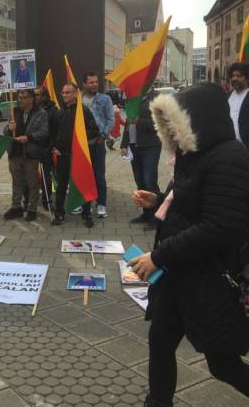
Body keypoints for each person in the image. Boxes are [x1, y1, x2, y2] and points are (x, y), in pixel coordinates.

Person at [128, 83, 249, 406]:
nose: (170, 131)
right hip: (179, 274)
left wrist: (158, 256)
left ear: (196, 119)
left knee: (222, 364)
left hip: (211, 280)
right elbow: (184, 205)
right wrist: (157, 202)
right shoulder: (191, 153)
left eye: (174, 121)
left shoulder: (231, 158)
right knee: (160, 340)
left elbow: (217, 228)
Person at [50, 83, 98, 228]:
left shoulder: (83, 111)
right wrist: (55, 147)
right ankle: (59, 214)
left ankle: (86, 213)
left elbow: (94, 130)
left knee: (83, 185)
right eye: (63, 92)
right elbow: (53, 133)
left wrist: (80, 136)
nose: (64, 95)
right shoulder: (59, 113)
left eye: (68, 92)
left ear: (76, 93)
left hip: (79, 156)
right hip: (63, 155)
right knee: (61, 186)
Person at [3, 88, 48, 222]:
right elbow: (5, 131)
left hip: (30, 153)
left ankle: (32, 209)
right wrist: (9, 129)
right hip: (15, 152)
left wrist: (29, 137)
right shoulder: (14, 112)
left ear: (31, 99)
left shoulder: (40, 113)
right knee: (16, 181)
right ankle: (16, 207)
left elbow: (44, 132)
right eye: (19, 97)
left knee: (32, 182)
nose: (20, 100)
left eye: (24, 97)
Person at [120, 88, 162, 229]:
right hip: (134, 146)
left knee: (150, 182)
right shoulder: (133, 96)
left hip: (150, 145)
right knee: (140, 182)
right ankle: (146, 213)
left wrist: (139, 121)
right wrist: (124, 143)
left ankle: (157, 217)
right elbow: (128, 121)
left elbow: (161, 123)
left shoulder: (157, 97)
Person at [82, 72, 114, 218]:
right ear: (84, 84)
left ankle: (101, 204)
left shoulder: (105, 99)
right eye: (91, 82)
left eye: (96, 82)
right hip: (82, 145)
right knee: (84, 176)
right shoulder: (78, 99)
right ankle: (84, 203)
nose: (94, 84)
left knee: (99, 176)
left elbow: (110, 119)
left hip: (97, 143)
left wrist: (103, 135)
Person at [34, 86, 57, 212]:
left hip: (46, 147)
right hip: (32, 146)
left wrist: (51, 145)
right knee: (30, 175)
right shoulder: (31, 109)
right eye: (34, 95)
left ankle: (47, 200)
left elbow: (55, 129)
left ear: (45, 96)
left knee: (46, 176)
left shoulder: (53, 110)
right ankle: (30, 199)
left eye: (38, 95)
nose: (35, 97)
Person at [227, 62, 249, 147]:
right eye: (233, 76)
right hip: (229, 146)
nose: (235, 78)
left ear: (247, 78)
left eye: (239, 76)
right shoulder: (227, 96)